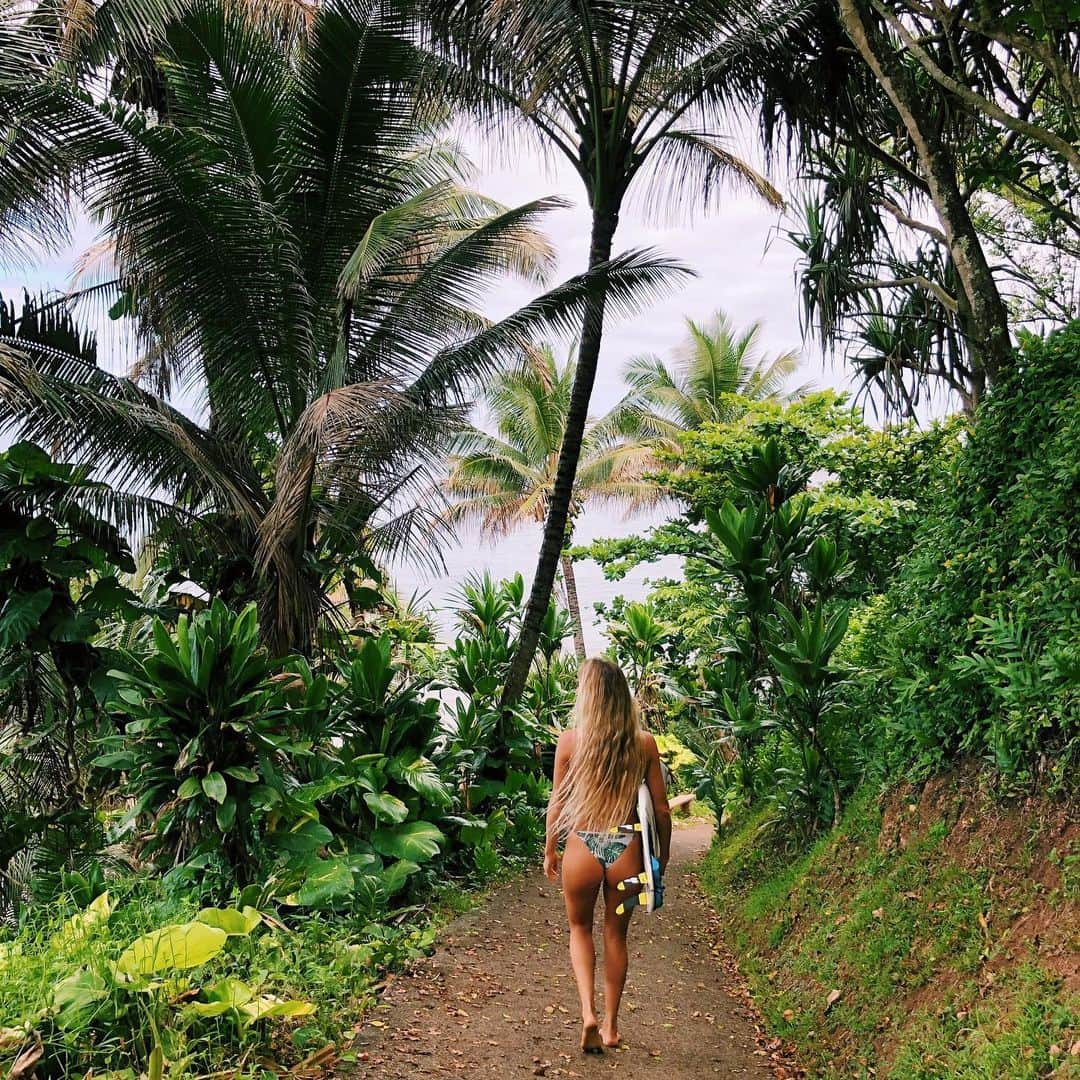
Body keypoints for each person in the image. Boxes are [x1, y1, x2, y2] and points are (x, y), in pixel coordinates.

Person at [543, 658, 672, 1054]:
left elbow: (557, 803)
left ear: (589, 697)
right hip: (626, 850)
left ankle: (588, 1014)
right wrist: (659, 861)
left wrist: (550, 847)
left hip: (583, 846)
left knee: (579, 929)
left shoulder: (570, 741)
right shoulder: (644, 744)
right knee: (616, 933)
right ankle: (612, 1027)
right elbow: (663, 811)